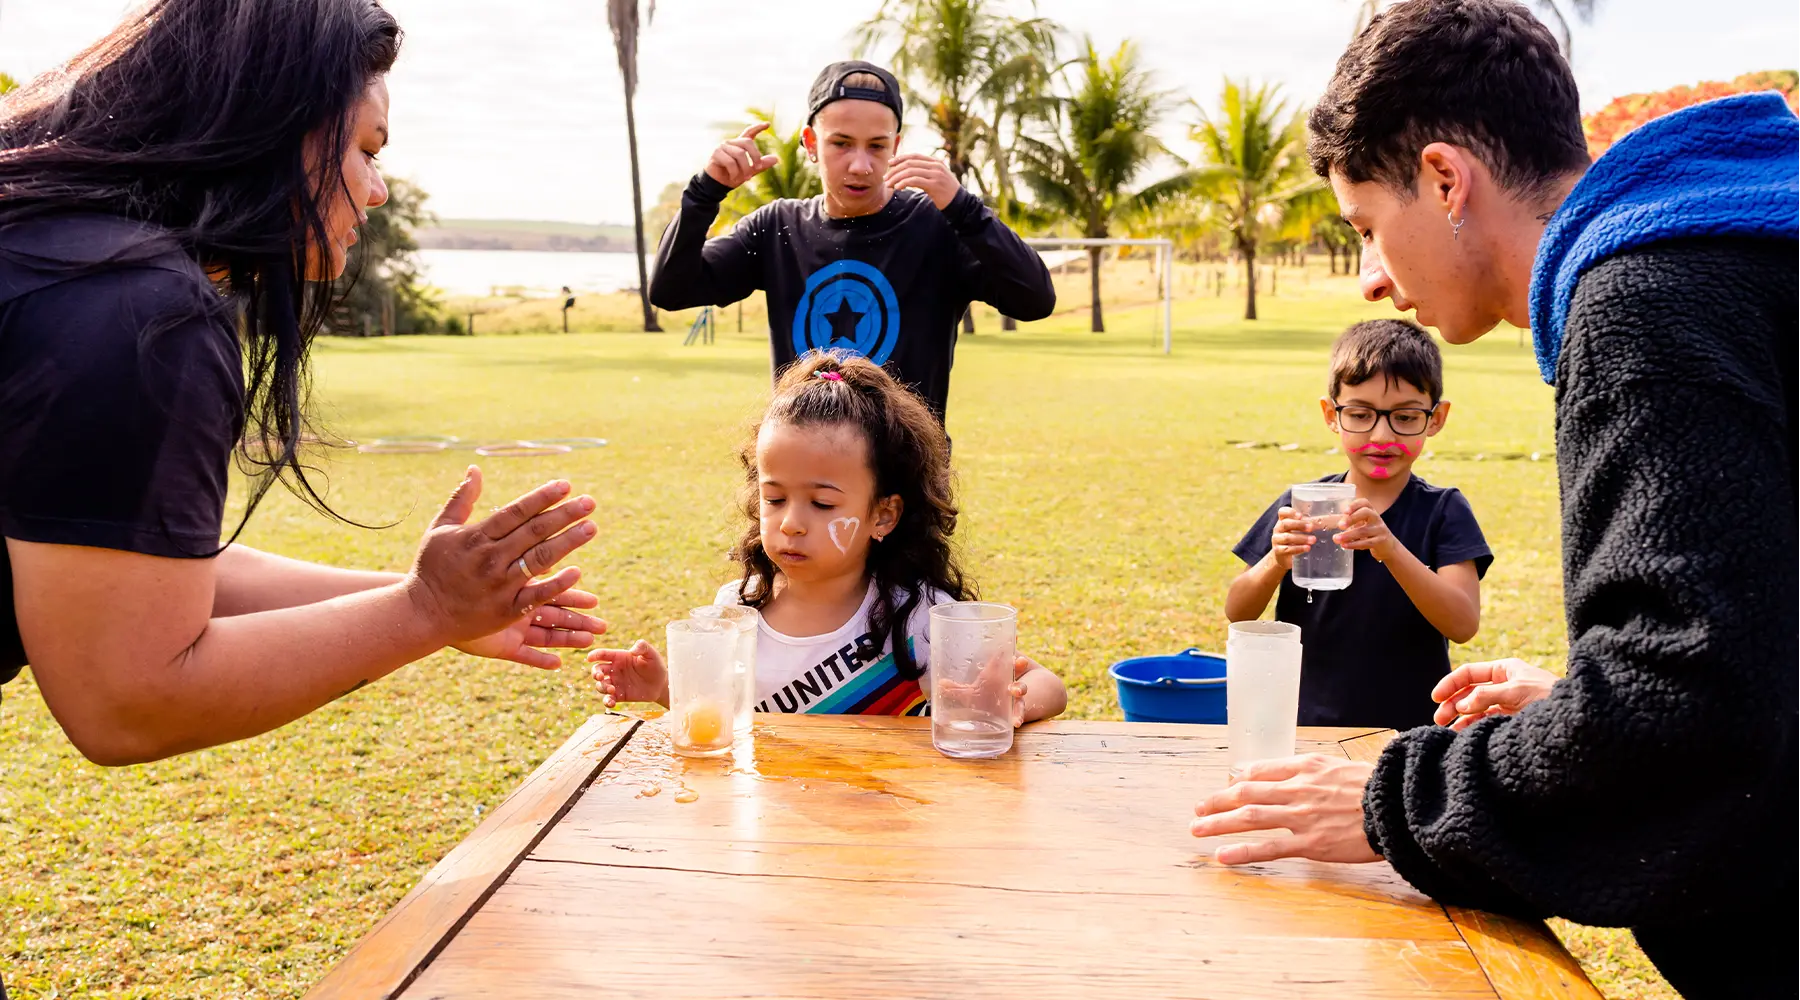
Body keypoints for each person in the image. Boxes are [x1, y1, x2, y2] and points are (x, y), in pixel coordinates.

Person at [1189, 1, 1800, 994]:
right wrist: (1571, 711)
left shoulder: (1644, 303)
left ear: (1444, 178)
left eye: (1369, 229)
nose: (1371, 279)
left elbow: (1690, 707)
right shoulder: (1724, 261)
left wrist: (1393, 803)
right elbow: (1754, 660)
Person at [0, 0, 604, 773]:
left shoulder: (59, 252)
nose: (377, 190)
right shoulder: (136, 307)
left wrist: (433, 600)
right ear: (271, 126)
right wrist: (425, 610)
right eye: (365, 148)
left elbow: (134, 565)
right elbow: (129, 701)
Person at [591, 352, 1066, 723]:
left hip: (888, 826)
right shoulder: (735, 611)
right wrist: (662, 689)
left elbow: (1047, 685)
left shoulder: (917, 614)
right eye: (774, 499)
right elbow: (715, 715)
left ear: (883, 515)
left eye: (821, 504)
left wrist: (1010, 701)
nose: (791, 522)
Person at [648, 60, 1056, 421]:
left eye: (877, 146)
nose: (860, 165)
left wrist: (965, 210)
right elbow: (671, 289)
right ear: (811, 144)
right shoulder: (778, 227)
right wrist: (705, 193)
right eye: (841, 143)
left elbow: (1034, 300)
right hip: (802, 487)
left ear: (896, 146)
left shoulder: (938, 226)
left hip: (908, 487)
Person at [1227, 319, 1490, 730]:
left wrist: (1391, 550)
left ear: (1435, 419)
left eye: (1405, 418)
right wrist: (1276, 560)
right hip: (1307, 725)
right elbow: (1237, 610)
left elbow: (1462, 624)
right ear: (1331, 415)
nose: (1382, 435)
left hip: (1410, 731)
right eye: (1360, 414)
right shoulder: (1302, 505)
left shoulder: (1444, 510)